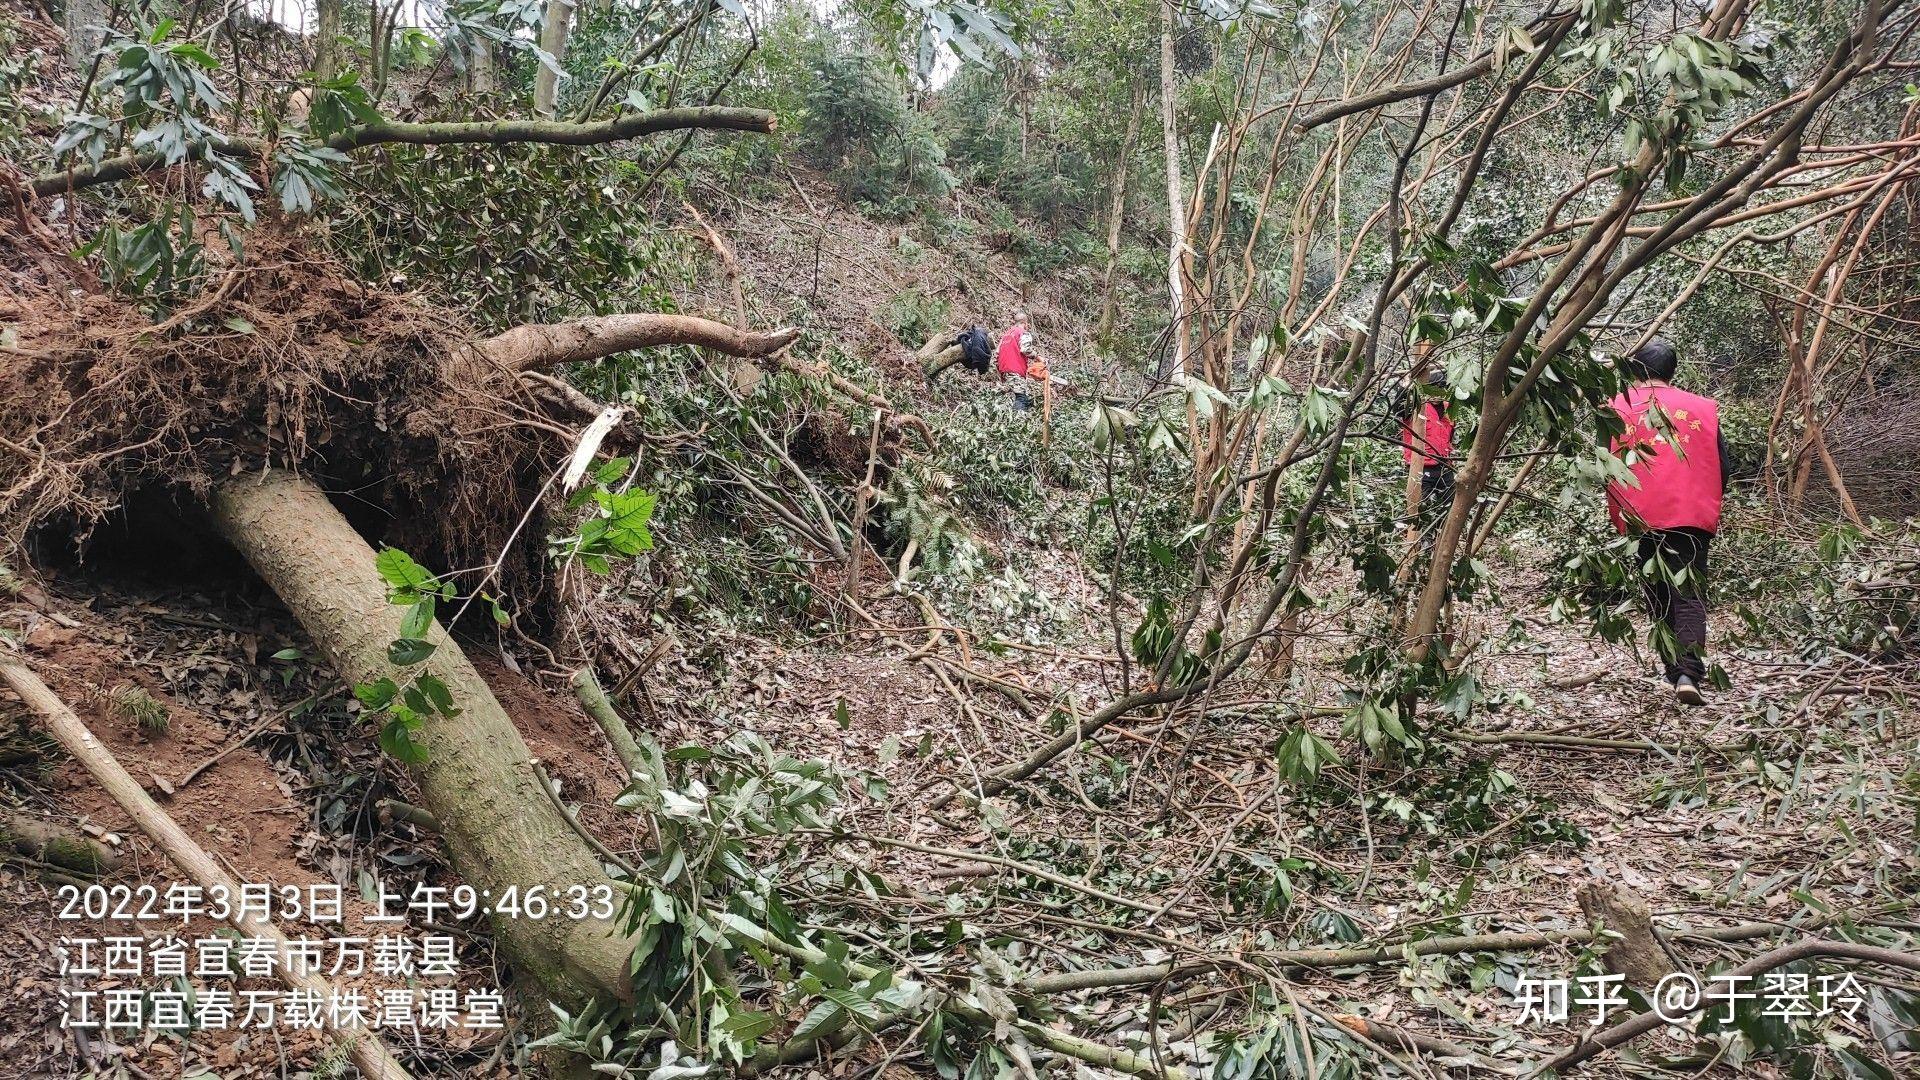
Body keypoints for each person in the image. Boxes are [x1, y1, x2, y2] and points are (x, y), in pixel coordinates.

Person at [1606, 338, 1730, 706]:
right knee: (1688, 590)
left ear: (1636, 370)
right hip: (1691, 513)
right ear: (1671, 372)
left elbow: (1606, 466)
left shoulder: (1616, 408)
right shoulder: (1703, 409)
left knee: (1656, 590)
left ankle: (1674, 669)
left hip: (1641, 512)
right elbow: (1724, 464)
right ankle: (1687, 673)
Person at [1401, 371, 1456, 512]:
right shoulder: (1415, 406)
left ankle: (1443, 532)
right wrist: (1406, 387)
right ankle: (1422, 534)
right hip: (1421, 466)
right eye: (1434, 388)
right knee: (1421, 508)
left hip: (1444, 465)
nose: (1437, 393)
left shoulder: (1448, 408)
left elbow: (1449, 435)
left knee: (1450, 504)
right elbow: (1399, 407)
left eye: (1441, 388)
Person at [996, 312, 1042, 411]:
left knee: (1013, 397)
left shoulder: (1006, 335)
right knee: (1021, 398)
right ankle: (1017, 422)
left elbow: (997, 353)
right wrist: (1038, 358)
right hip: (1015, 370)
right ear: (1025, 323)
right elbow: (1026, 350)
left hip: (1004, 371)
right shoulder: (1023, 333)